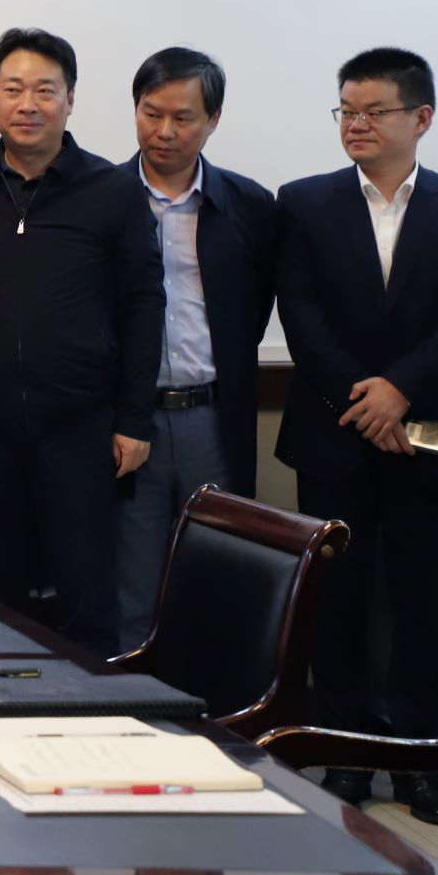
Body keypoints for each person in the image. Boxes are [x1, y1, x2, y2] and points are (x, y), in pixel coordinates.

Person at [276, 48, 438, 825]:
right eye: (347, 110)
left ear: (421, 117)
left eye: (374, 111)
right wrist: (365, 401)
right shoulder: (304, 201)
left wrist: (401, 391)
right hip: (335, 432)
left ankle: (420, 762)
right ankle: (348, 755)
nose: (356, 124)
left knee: (423, 604)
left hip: (431, 433)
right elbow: (300, 314)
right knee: (338, 601)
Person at [0, 28, 163, 655]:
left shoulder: (112, 189)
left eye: (45, 90)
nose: (28, 104)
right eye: (13, 89)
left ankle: (89, 710)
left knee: (86, 598)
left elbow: (143, 305)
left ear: (70, 99)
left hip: (82, 432)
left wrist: (134, 419)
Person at [115, 48, 277, 650]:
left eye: (183, 118)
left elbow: (252, 310)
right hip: (126, 423)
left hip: (211, 416)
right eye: (151, 113)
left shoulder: (248, 205)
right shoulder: (100, 197)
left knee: (218, 576)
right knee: (130, 585)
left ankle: (214, 704)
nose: (164, 131)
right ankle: (132, 700)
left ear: (213, 121)